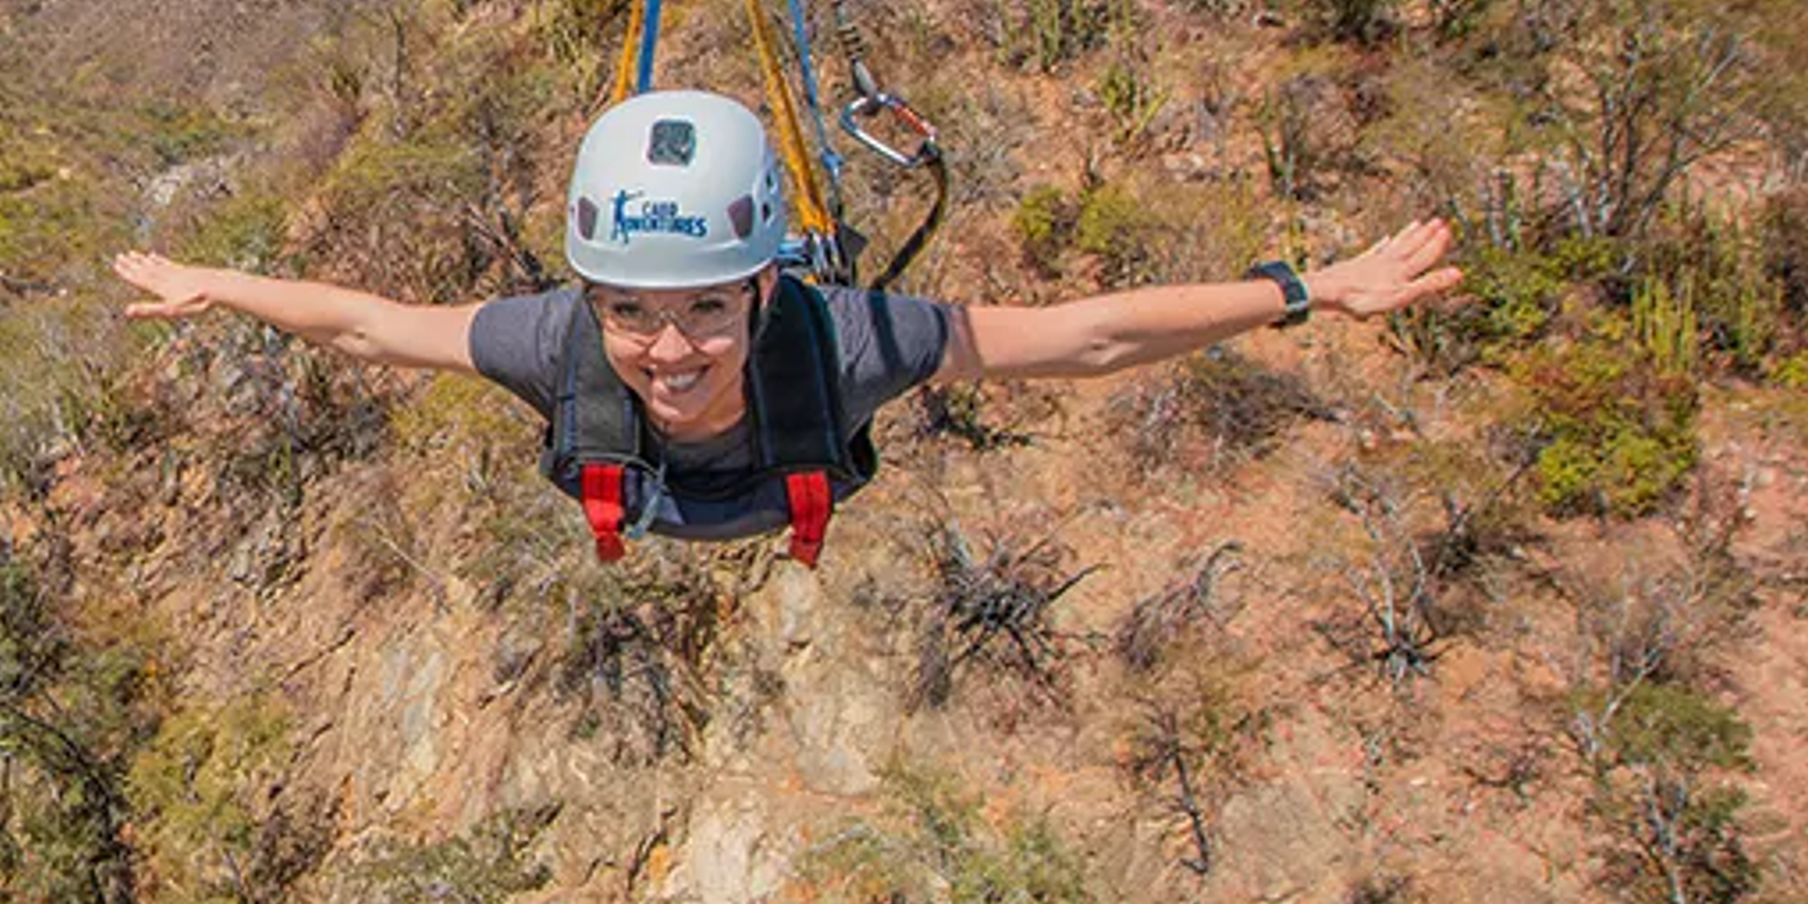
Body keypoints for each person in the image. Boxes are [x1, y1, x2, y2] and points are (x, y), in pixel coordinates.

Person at [114, 89, 1463, 564]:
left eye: (708, 306)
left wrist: (1304, 290)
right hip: (674, 507)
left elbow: (1085, 338)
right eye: (630, 312)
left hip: (766, 486)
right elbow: (367, 327)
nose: (669, 350)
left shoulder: (847, 343)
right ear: (589, 299)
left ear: (769, 285)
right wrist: (220, 284)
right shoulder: (553, 345)